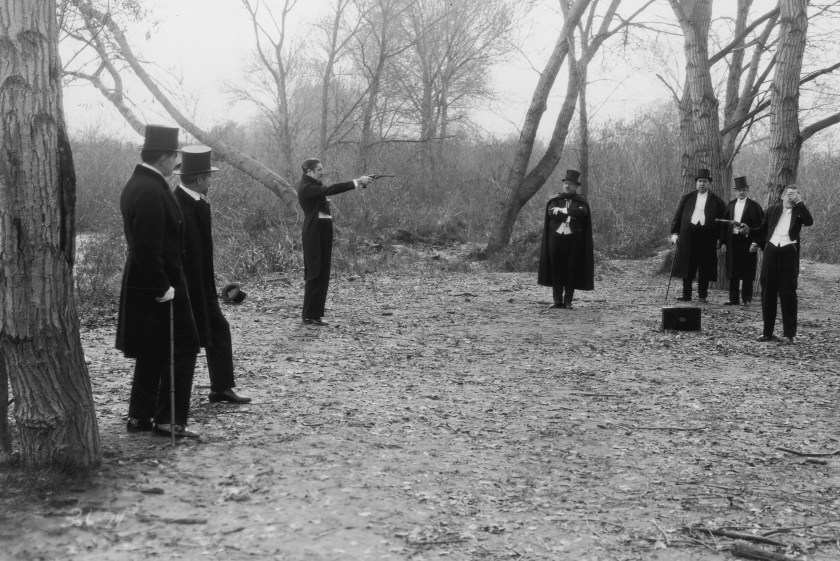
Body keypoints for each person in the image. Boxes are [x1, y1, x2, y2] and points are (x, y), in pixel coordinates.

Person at [116, 125, 200, 439]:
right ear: (164, 156)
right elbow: (146, 246)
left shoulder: (141, 183)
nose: (177, 161)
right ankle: (169, 421)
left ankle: (141, 415)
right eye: (175, 155)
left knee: (152, 349)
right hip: (158, 284)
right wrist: (163, 286)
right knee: (184, 347)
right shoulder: (150, 189)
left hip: (147, 281)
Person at [173, 146, 251, 405]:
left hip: (203, 286)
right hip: (184, 288)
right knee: (185, 343)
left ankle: (221, 388)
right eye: (209, 177)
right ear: (199, 179)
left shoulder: (198, 201)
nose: (210, 181)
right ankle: (171, 405)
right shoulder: (177, 204)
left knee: (218, 329)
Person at [296, 159, 371, 325]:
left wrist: (323, 202)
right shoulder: (307, 186)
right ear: (309, 171)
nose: (322, 172)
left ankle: (314, 315)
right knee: (315, 272)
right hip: (314, 233)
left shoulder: (311, 185)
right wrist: (357, 182)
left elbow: (317, 199)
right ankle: (309, 315)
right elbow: (329, 189)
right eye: (319, 170)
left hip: (322, 231)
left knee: (322, 273)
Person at [754, 185, 814, 344]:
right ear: (782, 196)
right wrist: (749, 232)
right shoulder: (772, 210)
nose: (791, 198)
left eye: (795, 195)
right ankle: (767, 333)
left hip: (789, 253)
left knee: (788, 294)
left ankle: (789, 334)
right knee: (768, 293)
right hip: (771, 251)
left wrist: (800, 202)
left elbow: (809, 221)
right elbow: (761, 230)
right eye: (789, 194)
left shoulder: (799, 211)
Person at [537, 169, 594, 309]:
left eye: (571, 184)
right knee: (555, 268)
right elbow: (552, 213)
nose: (567, 186)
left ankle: (568, 301)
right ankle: (557, 301)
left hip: (573, 240)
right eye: (566, 183)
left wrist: (563, 211)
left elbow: (582, 212)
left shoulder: (581, 201)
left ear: (576, 187)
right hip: (555, 240)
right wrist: (570, 215)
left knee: (571, 268)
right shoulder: (556, 200)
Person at [669, 168, 726, 303]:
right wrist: (675, 233)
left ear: (709, 184)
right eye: (700, 181)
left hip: (707, 238)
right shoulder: (687, 198)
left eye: (705, 181)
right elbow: (678, 217)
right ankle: (686, 295)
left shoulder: (716, 201)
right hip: (688, 237)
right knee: (687, 266)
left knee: (705, 267)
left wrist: (721, 239)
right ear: (696, 183)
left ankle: (702, 296)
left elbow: (722, 223)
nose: (702, 184)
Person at [721, 176, 764, 306]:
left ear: (747, 190)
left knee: (747, 271)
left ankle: (747, 299)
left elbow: (760, 226)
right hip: (732, 241)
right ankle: (733, 299)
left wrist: (755, 242)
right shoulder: (731, 205)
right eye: (739, 190)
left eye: (744, 190)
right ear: (735, 191)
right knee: (732, 271)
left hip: (747, 242)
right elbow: (724, 225)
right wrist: (723, 242)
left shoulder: (754, 206)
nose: (741, 192)